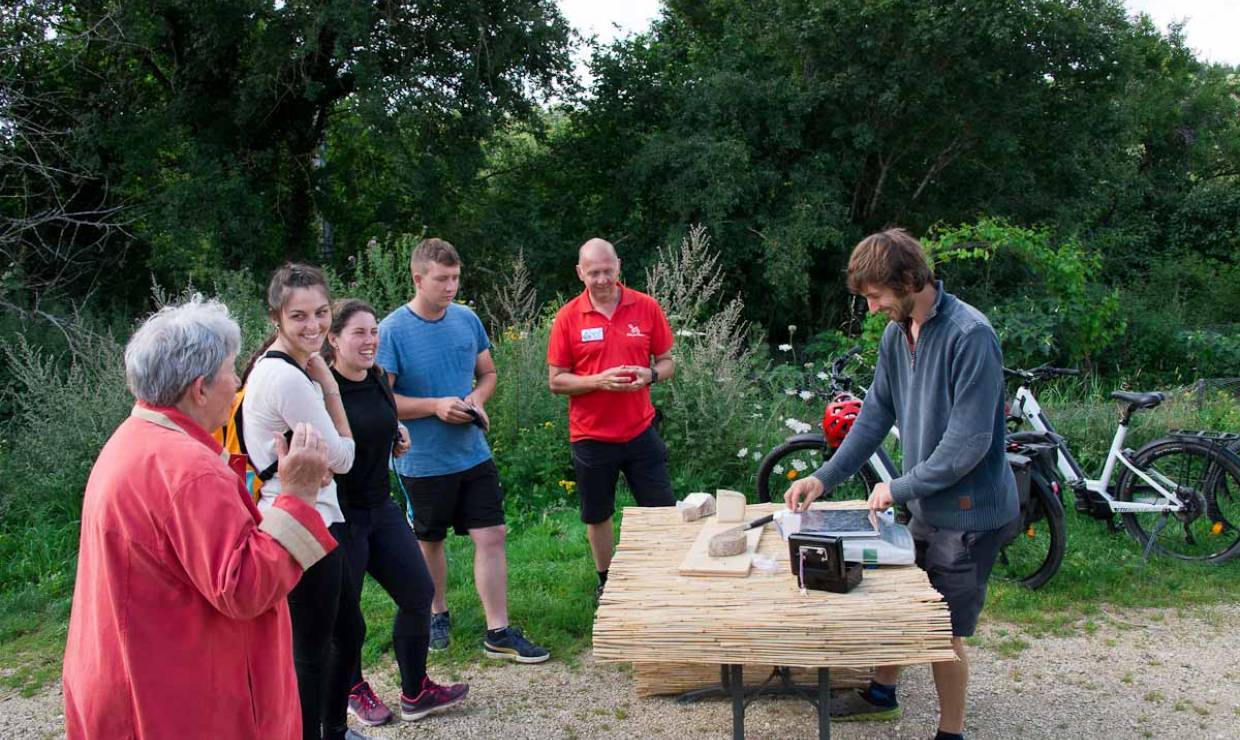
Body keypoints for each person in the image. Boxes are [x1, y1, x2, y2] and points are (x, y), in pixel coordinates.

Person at [62, 296, 336, 739]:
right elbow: (245, 588)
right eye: (231, 371)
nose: (237, 384)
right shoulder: (188, 470)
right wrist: (299, 496)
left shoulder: (136, 438)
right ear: (199, 388)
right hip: (183, 702)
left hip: (136, 678)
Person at [784, 228, 1020, 740]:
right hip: (928, 505)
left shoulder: (969, 335)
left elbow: (968, 442)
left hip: (970, 512)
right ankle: (882, 693)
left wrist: (900, 486)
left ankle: (951, 731)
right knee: (904, 601)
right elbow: (873, 416)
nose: (871, 308)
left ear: (910, 279)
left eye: (876, 296)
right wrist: (823, 479)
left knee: (943, 629)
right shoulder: (897, 334)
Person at [377, 237, 549, 663]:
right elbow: (383, 401)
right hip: (421, 459)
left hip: (472, 452)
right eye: (441, 279)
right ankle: (438, 614)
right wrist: (435, 406)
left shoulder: (467, 319)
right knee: (429, 541)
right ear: (418, 279)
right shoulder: (391, 330)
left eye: (455, 277)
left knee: (492, 534)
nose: (450, 286)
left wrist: (476, 400)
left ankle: (499, 630)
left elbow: (488, 373)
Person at [323, 299, 469, 728]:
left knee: (417, 592)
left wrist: (396, 436)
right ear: (334, 339)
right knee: (345, 615)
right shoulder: (322, 388)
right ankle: (352, 689)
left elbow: (382, 422)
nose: (370, 342)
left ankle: (415, 690)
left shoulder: (375, 378)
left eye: (373, 332)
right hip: (340, 513)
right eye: (359, 333)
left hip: (379, 507)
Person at [242, 264, 358, 740]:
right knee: (313, 649)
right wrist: (331, 388)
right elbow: (345, 457)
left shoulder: (291, 366)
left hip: (316, 518)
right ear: (276, 317)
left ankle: (333, 728)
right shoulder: (288, 377)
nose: (314, 326)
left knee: (348, 633)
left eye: (322, 313)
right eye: (299, 317)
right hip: (300, 524)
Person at [547, 237, 677, 604]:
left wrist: (649, 375)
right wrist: (597, 382)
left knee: (662, 510)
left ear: (619, 266)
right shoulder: (568, 317)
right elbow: (556, 380)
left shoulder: (646, 307)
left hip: (640, 429)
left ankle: (663, 573)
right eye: (593, 273)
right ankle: (607, 579)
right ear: (580, 273)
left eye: (608, 270)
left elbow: (668, 362)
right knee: (597, 513)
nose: (602, 279)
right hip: (591, 436)